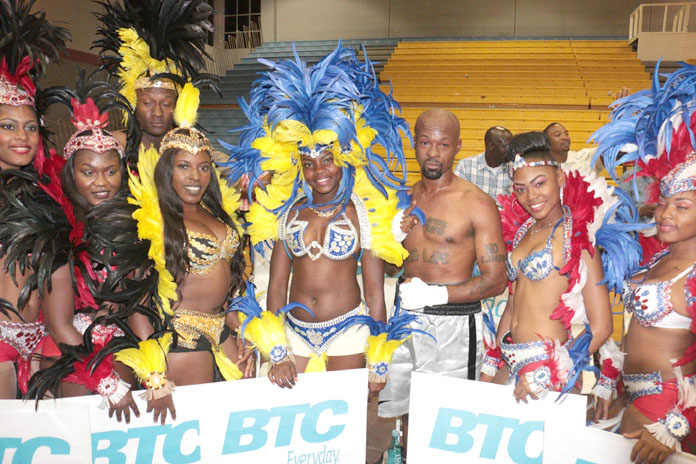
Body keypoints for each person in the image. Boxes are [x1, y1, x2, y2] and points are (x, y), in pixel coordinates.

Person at [223, 44, 414, 392]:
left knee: (347, 415)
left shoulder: (362, 212)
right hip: (294, 330)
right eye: (308, 164)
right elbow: (278, 285)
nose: (319, 172)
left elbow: (374, 290)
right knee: (289, 417)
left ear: (342, 159)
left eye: (327, 160)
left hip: (348, 328)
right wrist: (277, 349)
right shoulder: (289, 212)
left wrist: (379, 352)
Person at [377, 109, 508, 452]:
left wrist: (435, 295)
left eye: (443, 144)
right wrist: (392, 242)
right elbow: (392, 270)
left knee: (447, 420)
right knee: (405, 413)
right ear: (415, 145)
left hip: (453, 326)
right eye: (425, 143)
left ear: (458, 147)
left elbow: (496, 281)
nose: (433, 153)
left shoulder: (477, 203)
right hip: (405, 319)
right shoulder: (404, 198)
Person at [120, 82, 250, 424]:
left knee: (225, 432)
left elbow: (230, 285)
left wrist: (246, 330)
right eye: (184, 166)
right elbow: (137, 300)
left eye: (204, 167)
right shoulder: (153, 220)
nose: (196, 176)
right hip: (179, 339)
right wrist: (153, 374)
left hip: (222, 332)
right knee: (192, 436)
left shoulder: (217, 212)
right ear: (167, 170)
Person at [592, 63, 696, 463]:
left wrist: (679, 421)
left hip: (668, 406)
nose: (665, 213)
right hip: (631, 394)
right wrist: (608, 379)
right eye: (664, 203)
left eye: (682, 206)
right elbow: (633, 329)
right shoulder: (655, 258)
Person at [481, 132, 617, 403]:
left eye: (539, 183)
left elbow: (602, 327)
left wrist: (552, 372)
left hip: (548, 373)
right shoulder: (522, 233)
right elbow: (512, 304)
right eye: (520, 188)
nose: (531, 196)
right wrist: (493, 358)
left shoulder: (577, 234)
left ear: (560, 178)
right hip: (509, 363)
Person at [0, 0, 69, 399]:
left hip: (42, 347)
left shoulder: (44, 195)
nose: (22, 136)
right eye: (8, 126)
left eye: (30, 127)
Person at [92, 0, 214, 161]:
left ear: (177, 106)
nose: (157, 113)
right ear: (133, 103)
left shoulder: (190, 149)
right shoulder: (110, 145)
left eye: (166, 104)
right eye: (148, 103)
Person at [454, 126, 513, 199]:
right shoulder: (465, 166)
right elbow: (455, 198)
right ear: (491, 146)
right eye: (505, 146)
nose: (510, 150)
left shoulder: (515, 168)